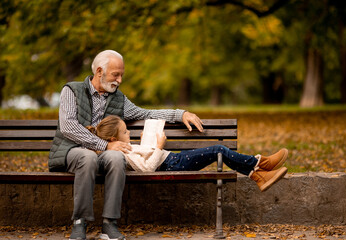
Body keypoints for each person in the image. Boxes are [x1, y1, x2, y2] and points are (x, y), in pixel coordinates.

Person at [48, 50, 204, 240]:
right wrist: (104, 145)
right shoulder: (71, 90)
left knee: (116, 157)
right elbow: (68, 126)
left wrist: (180, 114)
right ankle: (80, 222)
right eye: (116, 74)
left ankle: (109, 224)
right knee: (88, 156)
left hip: (104, 153)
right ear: (99, 72)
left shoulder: (118, 99)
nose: (120, 80)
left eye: (121, 74)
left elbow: (145, 113)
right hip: (72, 150)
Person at [87, 115, 288, 192]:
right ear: (112, 140)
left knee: (218, 151)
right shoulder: (121, 154)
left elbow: (144, 159)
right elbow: (147, 168)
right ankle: (260, 164)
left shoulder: (122, 148)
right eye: (125, 132)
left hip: (172, 159)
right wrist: (158, 146)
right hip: (172, 163)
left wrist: (146, 144)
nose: (128, 132)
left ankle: (259, 173)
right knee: (218, 150)